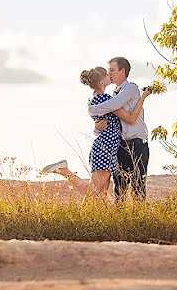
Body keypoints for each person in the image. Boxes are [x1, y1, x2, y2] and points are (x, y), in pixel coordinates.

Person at [40, 66, 151, 198]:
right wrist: (142, 97)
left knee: (100, 195)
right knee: (92, 191)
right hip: (106, 147)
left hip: (106, 146)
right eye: (106, 74)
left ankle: (87, 217)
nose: (110, 74)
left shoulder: (96, 98)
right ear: (101, 82)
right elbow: (131, 117)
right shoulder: (106, 100)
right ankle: (64, 171)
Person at [91, 56, 150, 200]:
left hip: (137, 144)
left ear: (122, 71)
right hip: (120, 145)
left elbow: (114, 106)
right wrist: (97, 128)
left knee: (138, 186)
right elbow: (112, 122)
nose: (109, 74)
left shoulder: (131, 89)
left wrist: (92, 110)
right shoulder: (112, 95)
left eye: (111, 70)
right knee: (120, 187)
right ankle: (121, 220)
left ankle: (140, 221)